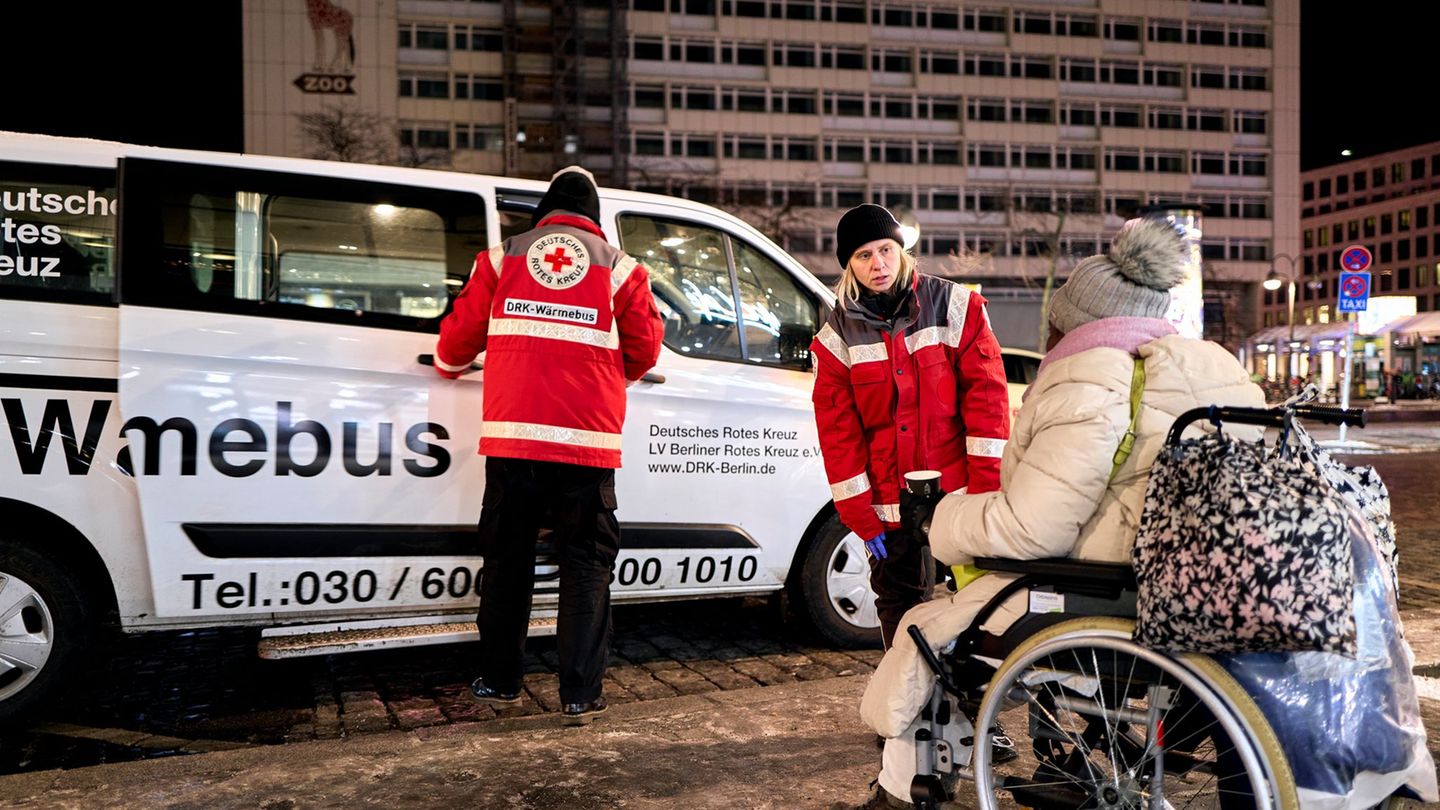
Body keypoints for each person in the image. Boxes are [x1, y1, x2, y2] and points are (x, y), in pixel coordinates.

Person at [856, 217, 1266, 805]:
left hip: (1109, 594)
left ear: (1077, 320)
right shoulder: (1216, 368)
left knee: (925, 630)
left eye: (1056, 318)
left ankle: (898, 792)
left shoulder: (1091, 377)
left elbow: (1032, 527)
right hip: (1209, 593)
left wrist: (940, 522)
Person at [434, 166, 662, 726]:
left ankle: (500, 681)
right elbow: (645, 352)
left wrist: (447, 364)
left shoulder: (500, 258)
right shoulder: (620, 268)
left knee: (508, 560)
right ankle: (580, 694)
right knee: (585, 565)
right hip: (587, 442)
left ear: (543, 214)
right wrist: (607, 374)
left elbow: (455, 346)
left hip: (514, 440)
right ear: (596, 219)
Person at [810, 203, 1011, 651]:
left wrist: (984, 491)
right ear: (848, 265)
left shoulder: (956, 307)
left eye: (885, 249)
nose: (877, 264)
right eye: (863, 256)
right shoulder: (836, 336)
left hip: (957, 494)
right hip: (889, 502)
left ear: (902, 250)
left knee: (978, 602)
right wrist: (861, 516)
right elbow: (838, 434)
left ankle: (975, 710)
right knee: (900, 607)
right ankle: (906, 710)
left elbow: (988, 404)